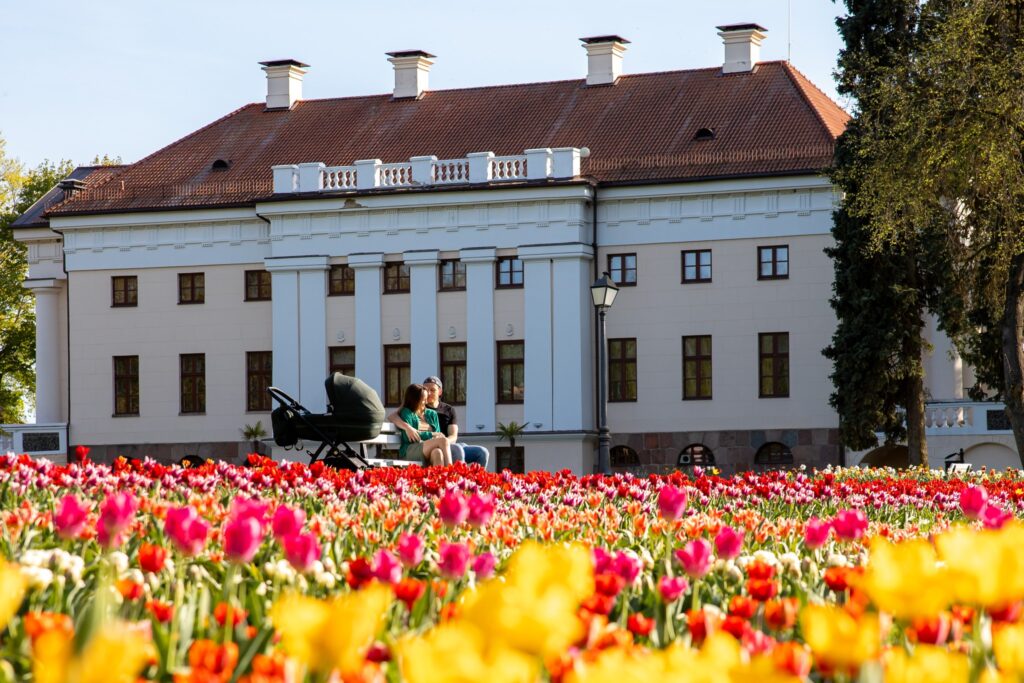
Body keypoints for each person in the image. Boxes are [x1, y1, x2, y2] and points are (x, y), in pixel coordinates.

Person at [388, 376, 489, 468]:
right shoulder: (408, 412)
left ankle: (439, 479)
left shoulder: (437, 412)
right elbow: (393, 417)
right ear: (416, 399)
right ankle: (451, 472)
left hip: (441, 445)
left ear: (440, 392)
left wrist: (438, 441)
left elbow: (450, 435)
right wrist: (409, 428)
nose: (426, 400)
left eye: (432, 390)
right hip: (416, 447)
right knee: (449, 445)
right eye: (424, 398)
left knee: (439, 452)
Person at [396, 384, 452, 466]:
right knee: (444, 440)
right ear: (414, 400)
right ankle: (451, 470)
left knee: (438, 453)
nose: (426, 402)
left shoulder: (432, 414)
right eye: (423, 400)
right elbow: (410, 438)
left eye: (426, 399)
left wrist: (434, 437)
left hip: (428, 448)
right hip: (410, 449)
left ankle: (441, 474)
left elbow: (438, 434)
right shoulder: (407, 413)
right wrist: (432, 434)